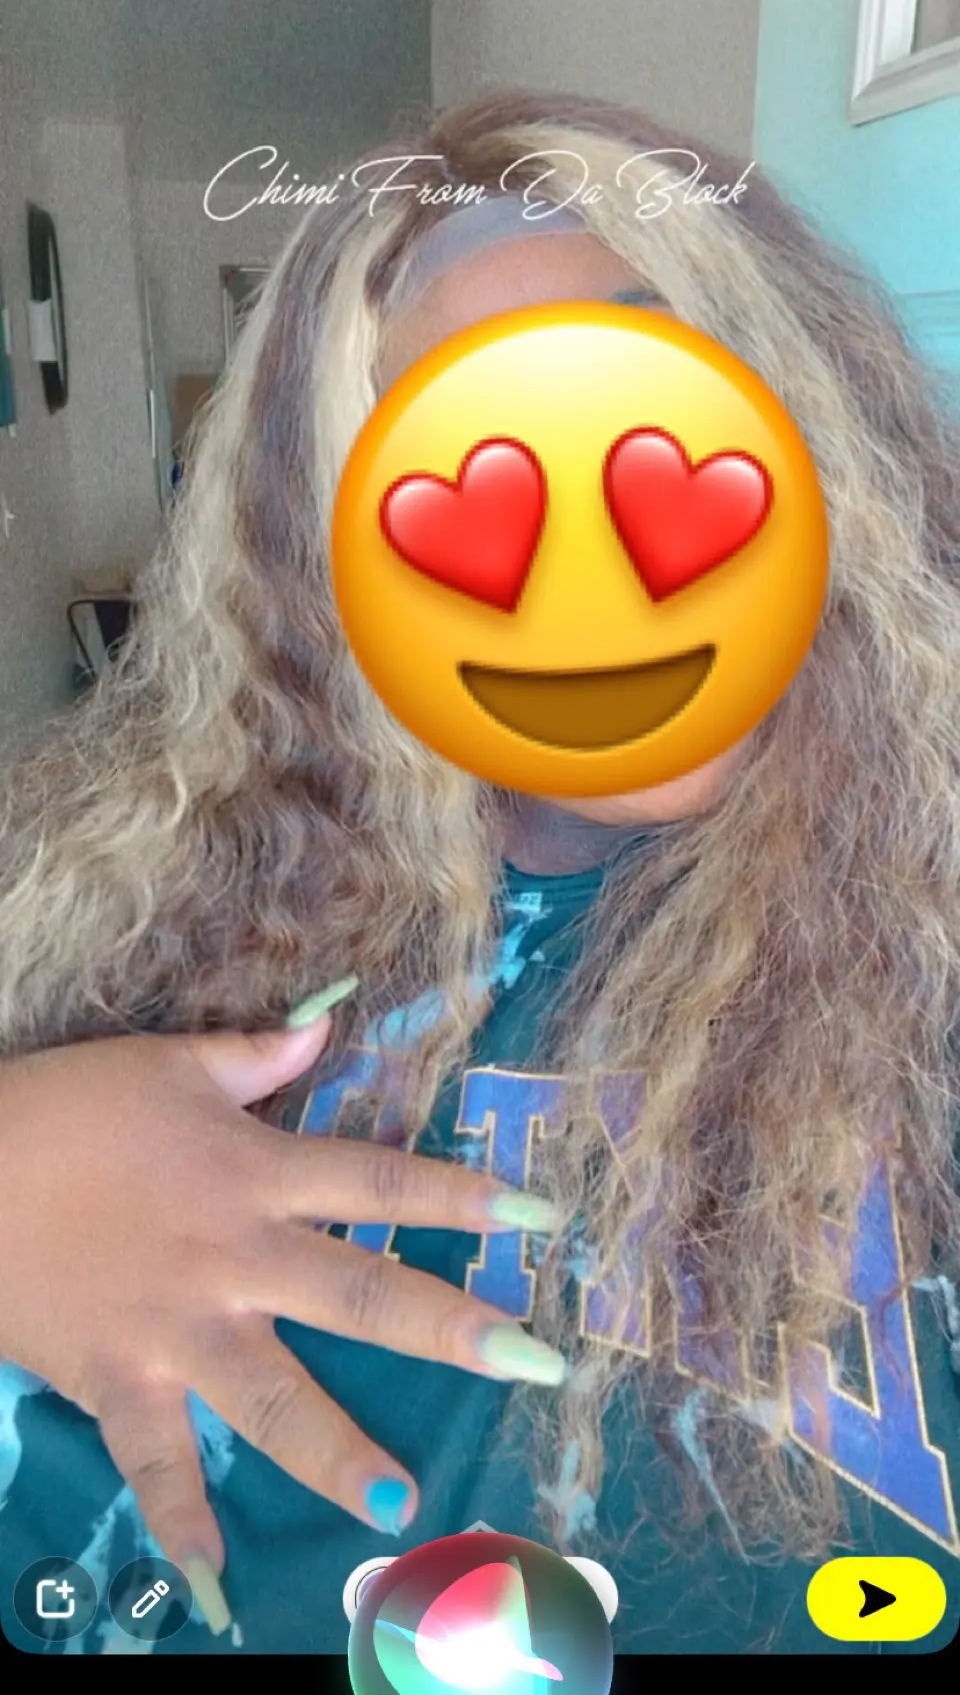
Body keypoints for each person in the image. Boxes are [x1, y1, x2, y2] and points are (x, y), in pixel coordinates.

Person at [0, 88, 958, 1658]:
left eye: (658, 421)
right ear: (328, 569)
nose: (595, 567)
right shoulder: (133, 923)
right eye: (474, 473)